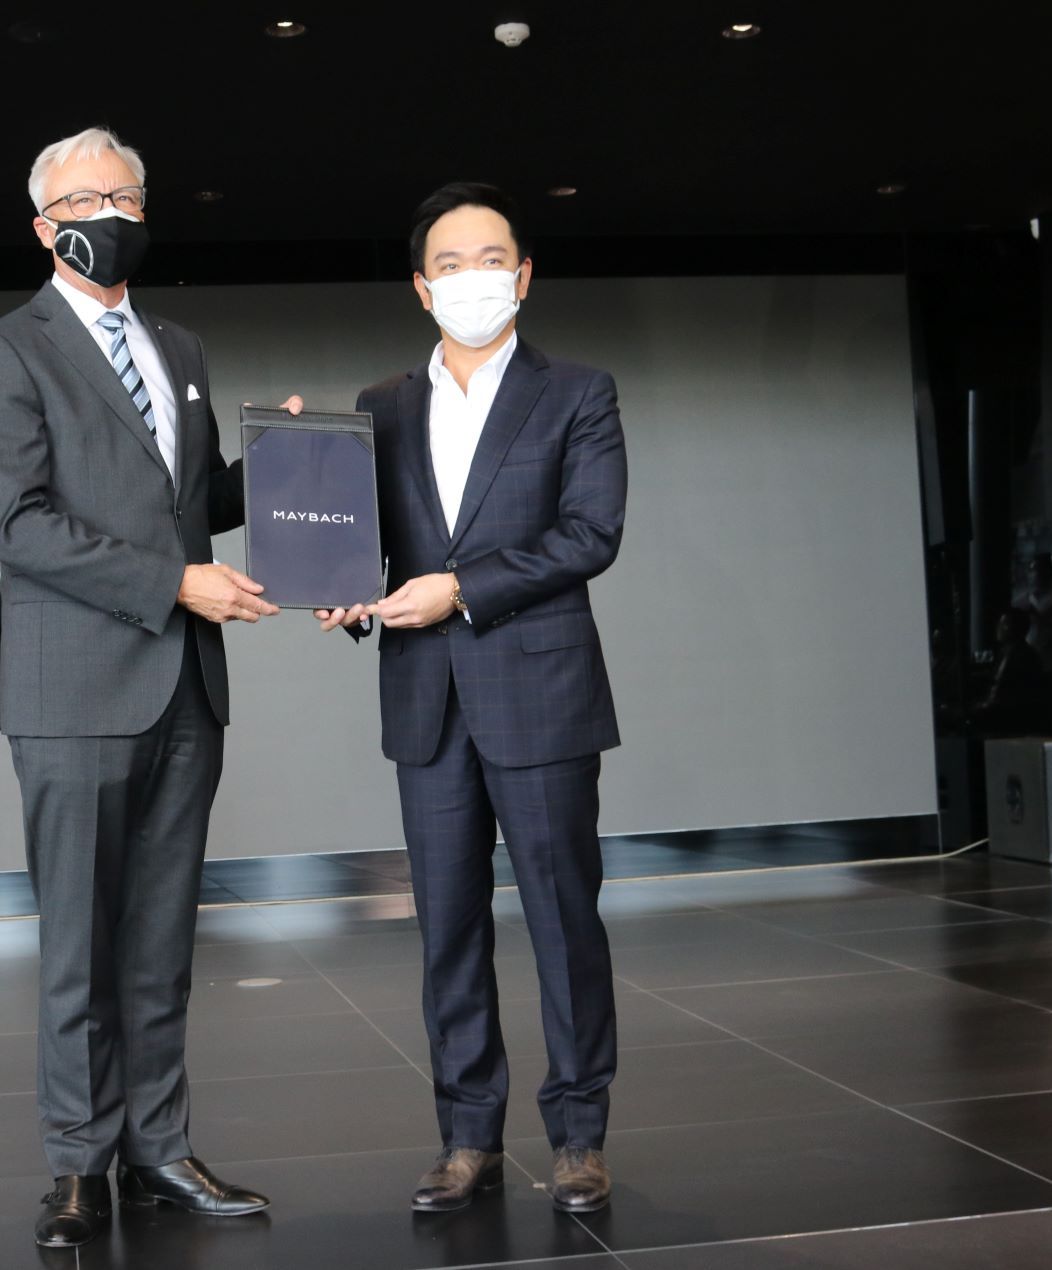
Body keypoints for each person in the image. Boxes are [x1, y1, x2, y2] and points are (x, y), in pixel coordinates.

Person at [0, 126, 299, 1250]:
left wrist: (291, 468)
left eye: (129, 196)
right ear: (44, 226)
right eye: (86, 199)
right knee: (79, 943)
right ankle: (76, 1162)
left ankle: (159, 1149)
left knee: (160, 942)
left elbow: (187, 504)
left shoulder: (178, 345)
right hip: (72, 688)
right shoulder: (6, 351)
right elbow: (19, 524)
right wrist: (176, 584)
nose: (111, 212)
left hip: (185, 687)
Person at [317, 182, 627, 1214]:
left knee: (563, 919)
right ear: (422, 287)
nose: (472, 279)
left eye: (492, 259)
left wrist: (461, 589)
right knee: (447, 927)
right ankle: (467, 1136)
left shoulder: (577, 392)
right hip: (427, 698)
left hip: (541, 691)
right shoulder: (381, 405)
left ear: (524, 275)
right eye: (450, 264)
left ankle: (578, 1134)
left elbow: (591, 534)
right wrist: (344, 595)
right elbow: (364, 548)